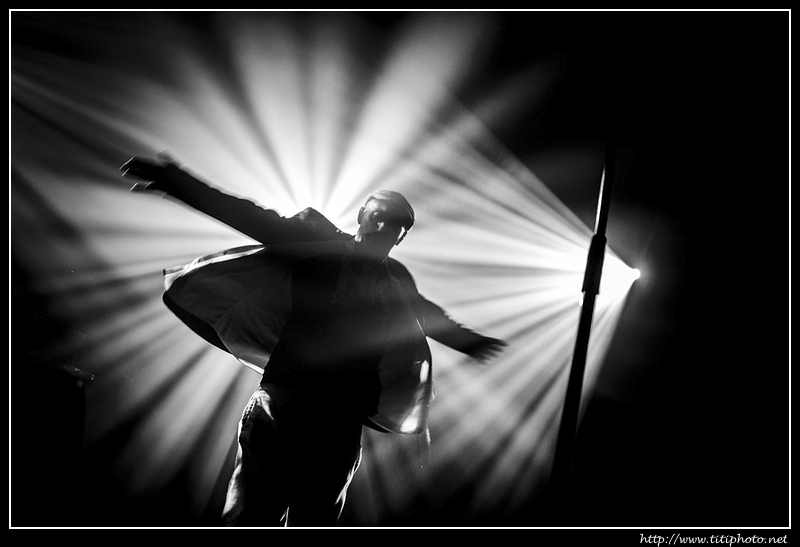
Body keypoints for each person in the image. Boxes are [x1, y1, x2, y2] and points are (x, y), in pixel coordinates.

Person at [121, 153, 506, 527]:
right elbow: (250, 216)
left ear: (401, 236)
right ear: (363, 216)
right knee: (253, 513)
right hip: (290, 398)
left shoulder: (395, 279)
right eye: (379, 217)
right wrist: (177, 182)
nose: (384, 228)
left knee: (313, 517)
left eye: (395, 226)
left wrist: (468, 342)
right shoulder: (319, 243)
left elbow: (425, 313)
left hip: (339, 416)